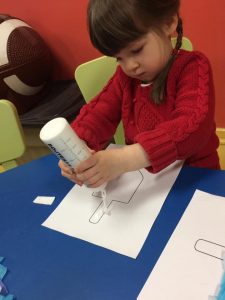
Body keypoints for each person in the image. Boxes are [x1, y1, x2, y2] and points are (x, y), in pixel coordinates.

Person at [59, 0, 220, 188]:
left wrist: (124, 159)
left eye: (136, 50)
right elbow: (98, 115)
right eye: (119, 58)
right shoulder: (125, 79)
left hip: (196, 177)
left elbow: (192, 128)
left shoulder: (193, 67)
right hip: (149, 183)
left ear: (168, 23)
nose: (130, 66)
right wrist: (75, 145)